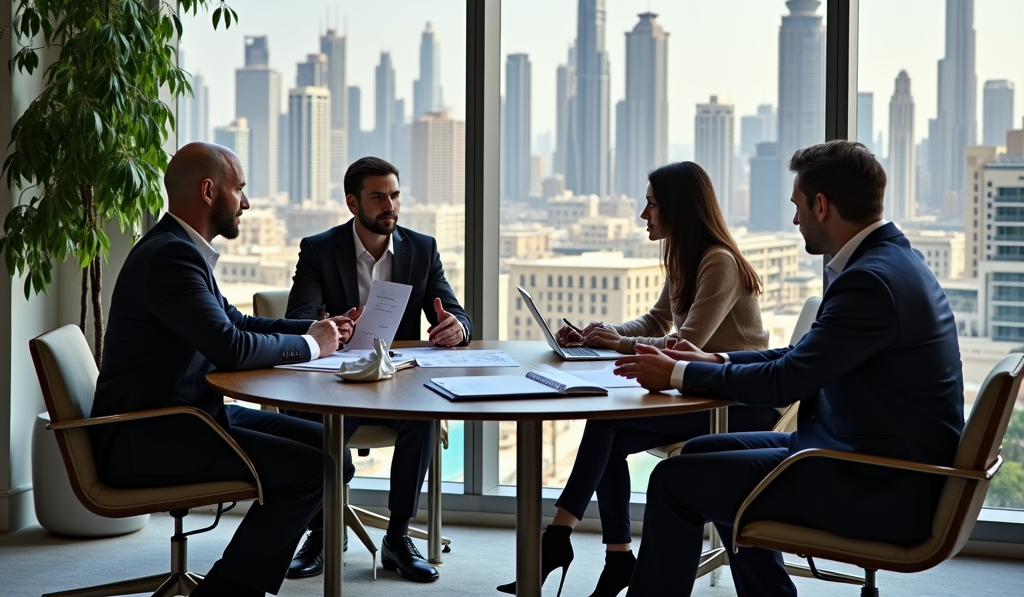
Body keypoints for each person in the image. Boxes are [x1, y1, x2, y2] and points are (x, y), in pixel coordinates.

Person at [616, 141, 965, 597]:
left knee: (672, 482)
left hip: (876, 482)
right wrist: (712, 360)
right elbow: (798, 355)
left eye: (798, 206)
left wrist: (679, 375)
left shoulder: (870, 281)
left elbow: (788, 379)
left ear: (822, 205)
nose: (795, 219)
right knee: (701, 452)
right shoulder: (890, 262)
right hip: (864, 456)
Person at [497, 161, 780, 597]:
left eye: (651, 205)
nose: (643, 215)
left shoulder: (718, 261)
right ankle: (616, 557)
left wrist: (613, 343)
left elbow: (684, 344)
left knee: (607, 424)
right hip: (699, 394)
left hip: (737, 404)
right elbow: (654, 320)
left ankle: (558, 543)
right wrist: (600, 333)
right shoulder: (685, 257)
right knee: (606, 428)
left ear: (677, 208)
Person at [90, 143, 357, 597]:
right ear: (210, 191)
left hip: (186, 416)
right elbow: (231, 347)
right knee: (318, 471)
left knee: (332, 454)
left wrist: (315, 327)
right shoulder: (170, 258)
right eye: (240, 189)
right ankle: (229, 591)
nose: (247, 203)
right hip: (152, 432)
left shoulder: (178, 248)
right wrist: (313, 346)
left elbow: (238, 323)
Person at [285, 156, 472, 583]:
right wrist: (332, 325)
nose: (390, 205)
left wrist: (455, 327)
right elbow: (299, 316)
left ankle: (398, 536)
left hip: (396, 383)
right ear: (353, 203)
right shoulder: (317, 248)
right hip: (338, 383)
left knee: (422, 417)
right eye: (377, 197)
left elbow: (458, 312)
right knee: (313, 420)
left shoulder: (421, 249)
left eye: (394, 195)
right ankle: (320, 531)